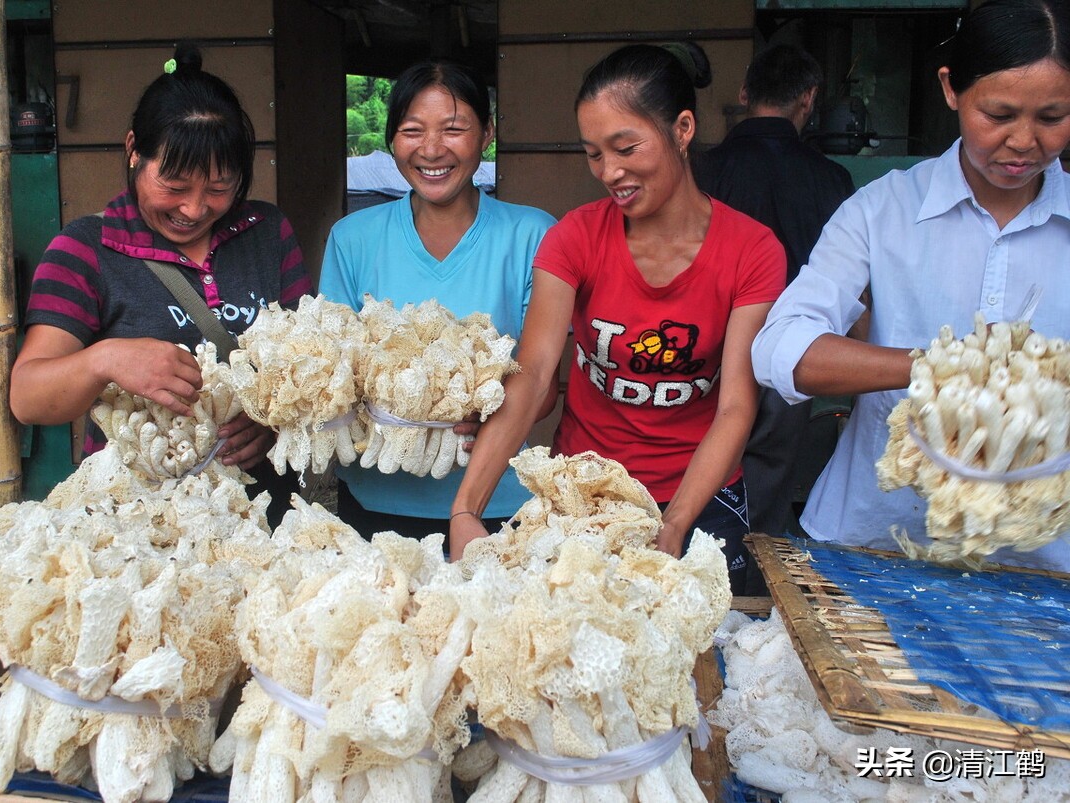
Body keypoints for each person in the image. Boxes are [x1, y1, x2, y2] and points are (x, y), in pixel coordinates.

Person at [450, 43, 787, 594]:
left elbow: (734, 407)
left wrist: (675, 523)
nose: (610, 171)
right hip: (582, 492)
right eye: (593, 154)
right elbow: (533, 376)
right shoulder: (575, 238)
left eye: (626, 147)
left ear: (682, 129)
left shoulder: (752, 251)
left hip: (701, 497)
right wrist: (467, 509)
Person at [751, 0, 1070, 571]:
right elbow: (781, 350)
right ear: (951, 89)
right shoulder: (883, 209)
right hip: (874, 542)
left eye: (1052, 118)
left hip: (1042, 562)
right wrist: (943, 366)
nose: (1024, 141)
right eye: (998, 115)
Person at [11, 42, 311, 524]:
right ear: (134, 151)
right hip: (133, 526)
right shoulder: (86, 249)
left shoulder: (267, 233)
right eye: (173, 187)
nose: (193, 209)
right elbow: (27, 397)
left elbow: (308, 369)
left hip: (260, 521)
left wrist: (273, 423)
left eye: (219, 188)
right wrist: (105, 358)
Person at [319, 59, 558, 542]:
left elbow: (546, 385)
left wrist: (490, 411)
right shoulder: (352, 238)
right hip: (371, 500)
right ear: (391, 140)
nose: (431, 150)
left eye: (454, 129)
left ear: (487, 134)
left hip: (498, 500)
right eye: (412, 130)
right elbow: (331, 373)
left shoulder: (532, 235)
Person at [696, 44, 855, 542]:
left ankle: (689, 566)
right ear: (807, 99)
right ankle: (753, 587)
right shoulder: (832, 179)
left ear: (744, 93)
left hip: (702, 351)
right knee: (766, 478)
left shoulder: (699, 171)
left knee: (701, 461)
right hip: (791, 357)